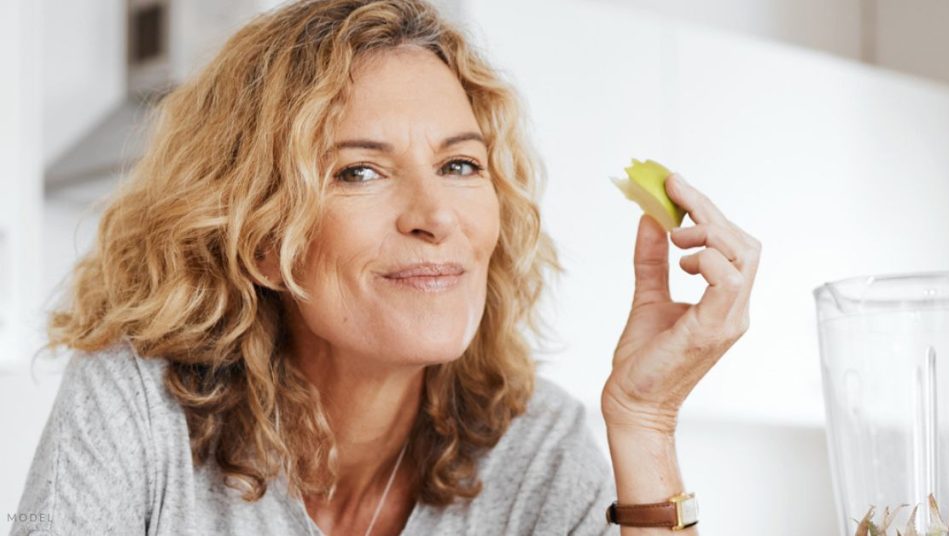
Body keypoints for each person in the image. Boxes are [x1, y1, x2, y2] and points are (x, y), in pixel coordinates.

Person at [11, 0, 760, 534]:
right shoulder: (136, 408)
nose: (435, 216)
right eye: (360, 173)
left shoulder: (534, 449)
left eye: (461, 164)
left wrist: (645, 422)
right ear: (261, 237)